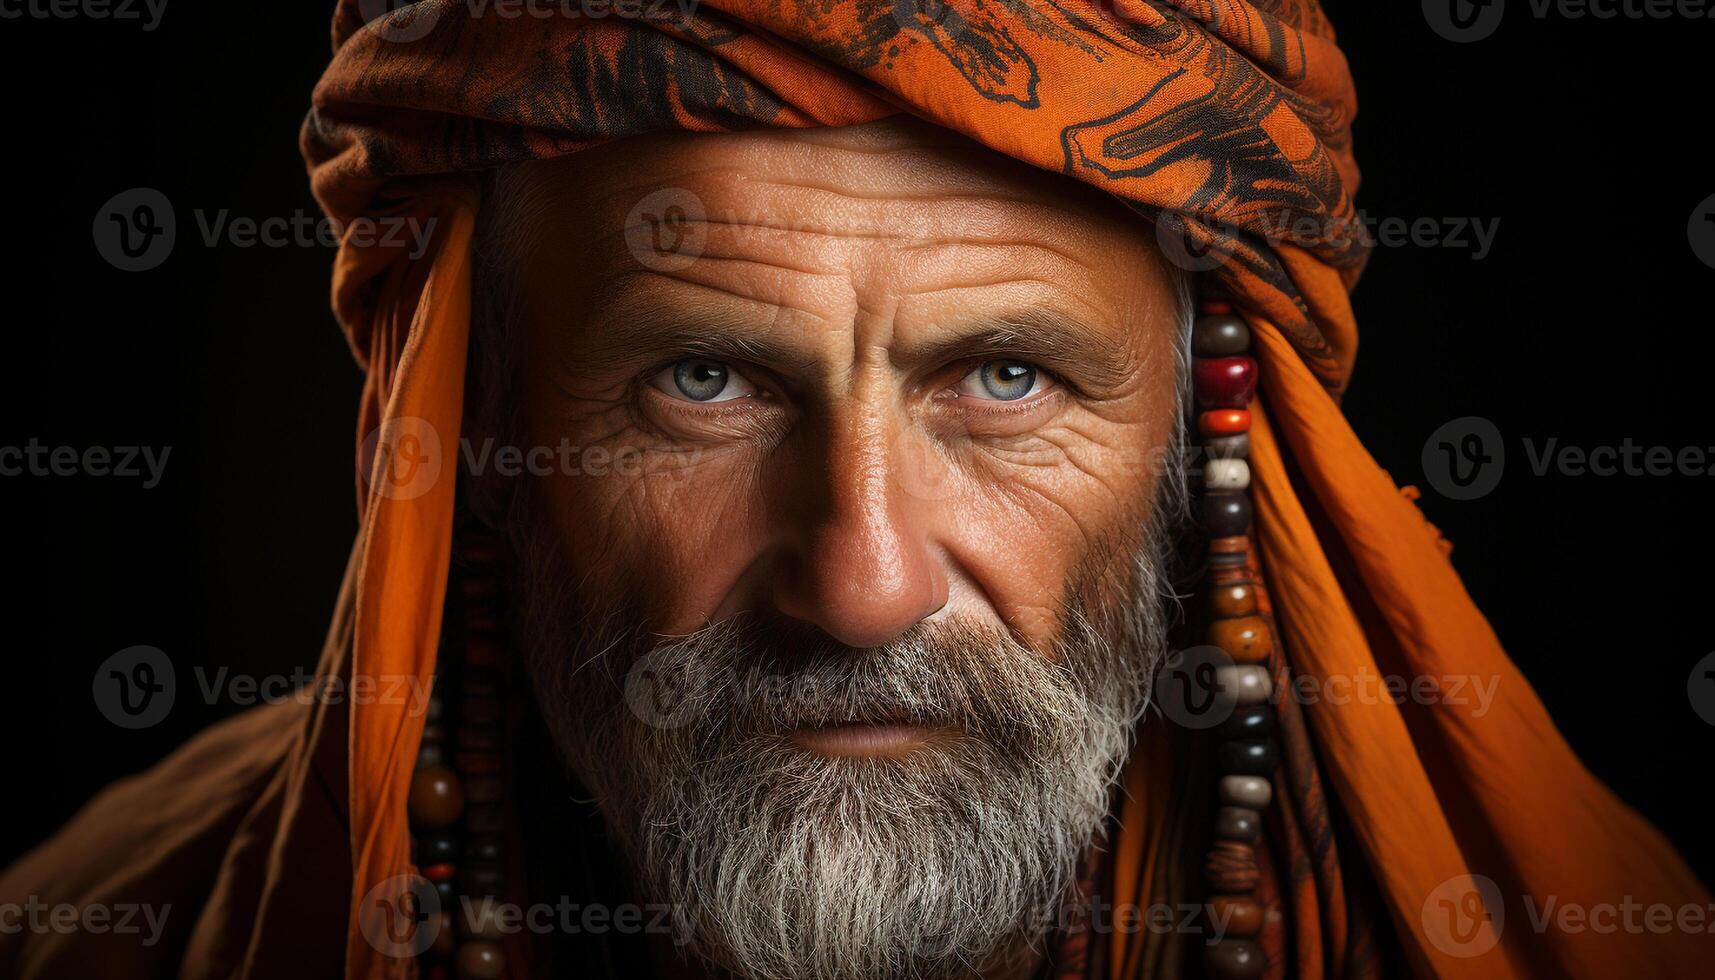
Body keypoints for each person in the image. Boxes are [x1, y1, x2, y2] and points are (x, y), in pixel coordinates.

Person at [3, 2, 1708, 978]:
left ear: (1214, 427)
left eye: (1006, 378)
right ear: (481, 431)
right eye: (705, 381)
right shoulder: (101, 938)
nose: (864, 582)